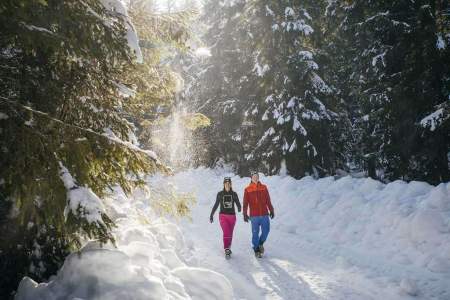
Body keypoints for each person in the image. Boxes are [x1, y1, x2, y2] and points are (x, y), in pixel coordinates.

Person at [243, 172, 274, 258]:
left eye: (257, 177)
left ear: (258, 178)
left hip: (264, 214)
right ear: (251, 178)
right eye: (254, 177)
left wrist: (271, 210)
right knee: (255, 233)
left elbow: (268, 200)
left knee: (266, 230)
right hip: (254, 216)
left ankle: (260, 243)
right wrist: (245, 214)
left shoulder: (264, 187)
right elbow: (245, 203)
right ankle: (256, 249)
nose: (255, 178)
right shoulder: (247, 189)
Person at [210, 177, 241, 259]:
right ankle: (226, 248)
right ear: (223, 184)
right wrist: (211, 214)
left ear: (231, 184)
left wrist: (239, 207)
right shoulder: (220, 194)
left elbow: (238, 203)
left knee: (230, 234)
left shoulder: (234, 194)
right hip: (223, 216)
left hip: (232, 216)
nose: (227, 185)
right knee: (226, 231)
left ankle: (228, 247)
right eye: (226, 183)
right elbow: (216, 204)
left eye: (229, 183)